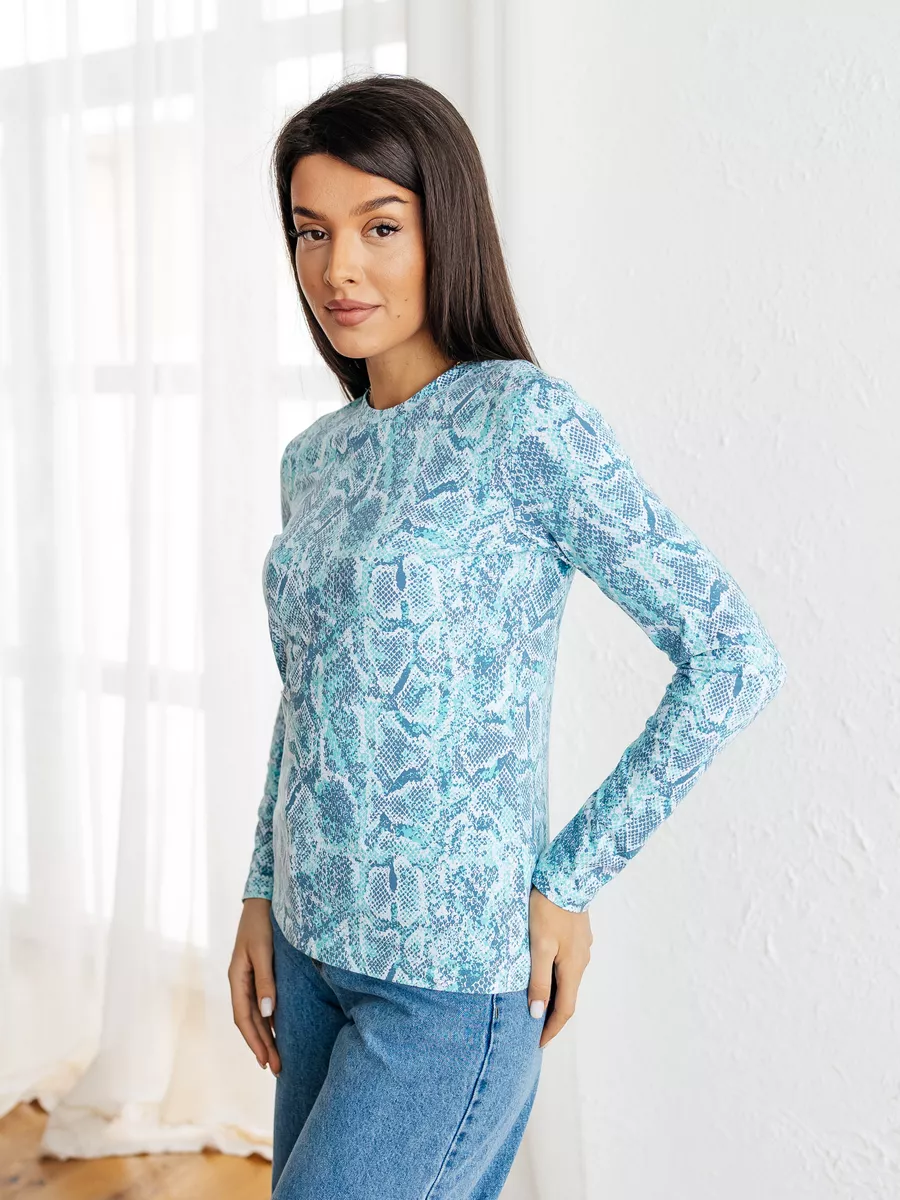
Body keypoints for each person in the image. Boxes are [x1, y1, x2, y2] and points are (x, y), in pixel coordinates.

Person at [227, 74, 787, 1200]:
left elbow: (733, 656)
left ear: (447, 228)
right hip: (309, 949)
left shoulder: (524, 422)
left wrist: (571, 879)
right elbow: (312, 691)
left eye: (381, 227)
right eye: (311, 231)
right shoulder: (316, 459)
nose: (338, 269)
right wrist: (258, 888)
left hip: (446, 982)